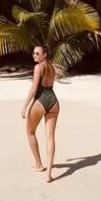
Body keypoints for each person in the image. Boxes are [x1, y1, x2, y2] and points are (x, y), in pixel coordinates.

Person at [21, 44, 59, 182]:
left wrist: (25, 107)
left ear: (45, 54)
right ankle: (48, 174)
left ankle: (38, 165)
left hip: (41, 100)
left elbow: (33, 90)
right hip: (54, 101)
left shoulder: (39, 67)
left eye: (37, 53)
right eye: (33, 53)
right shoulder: (52, 68)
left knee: (30, 132)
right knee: (50, 138)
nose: (34, 55)